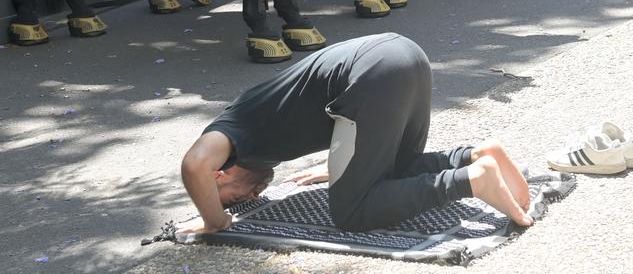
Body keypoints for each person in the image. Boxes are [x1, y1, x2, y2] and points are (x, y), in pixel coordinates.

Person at [178, 33, 533, 234]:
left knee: (352, 212)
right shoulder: (259, 142)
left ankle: (473, 180)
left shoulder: (230, 128)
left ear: (219, 174)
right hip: (405, 54)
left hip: (372, 74)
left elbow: (194, 165)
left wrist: (215, 221)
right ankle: (476, 156)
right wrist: (340, 168)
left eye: (227, 199)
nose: (248, 199)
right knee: (393, 172)